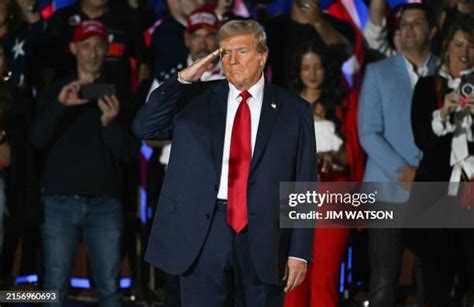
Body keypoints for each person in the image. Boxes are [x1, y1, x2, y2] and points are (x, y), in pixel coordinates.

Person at [133, 19, 317, 306]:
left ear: (262, 56)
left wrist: (299, 252)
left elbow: (305, 185)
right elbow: (145, 127)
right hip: (203, 232)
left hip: (265, 236)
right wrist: (183, 79)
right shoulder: (195, 97)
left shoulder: (294, 111)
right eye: (225, 52)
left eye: (241, 51)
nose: (232, 61)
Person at [31, 20, 133, 307]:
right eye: (86, 45)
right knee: (54, 286)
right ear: (73, 48)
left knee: (110, 290)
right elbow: (37, 139)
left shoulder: (118, 93)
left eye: (98, 45)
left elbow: (127, 153)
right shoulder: (57, 90)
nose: (93, 52)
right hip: (60, 201)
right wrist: (60, 107)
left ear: (106, 49)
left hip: (105, 203)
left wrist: (110, 124)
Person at [358, 3, 438, 307]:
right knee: (383, 277)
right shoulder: (379, 73)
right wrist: (404, 171)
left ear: (432, 31)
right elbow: (368, 132)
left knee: (430, 273)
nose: (408, 29)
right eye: (403, 24)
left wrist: (426, 175)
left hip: (432, 189)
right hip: (387, 187)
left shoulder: (444, 71)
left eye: (416, 23)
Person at [410, 14, 474, 307]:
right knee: (436, 280)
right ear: (447, 47)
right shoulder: (427, 87)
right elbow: (422, 141)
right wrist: (444, 114)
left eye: (471, 46)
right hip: (436, 196)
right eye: (459, 44)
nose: (465, 52)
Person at [283, 41, 349, 307]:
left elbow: (353, 154)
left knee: (325, 276)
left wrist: (331, 158)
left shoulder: (342, 104)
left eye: (318, 67)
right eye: (306, 67)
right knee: (291, 277)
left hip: (334, 194)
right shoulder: (284, 104)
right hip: (293, 195)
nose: (312, 74)